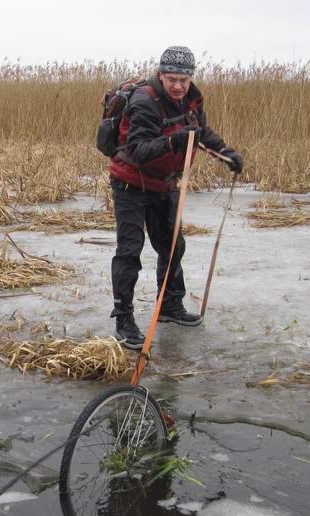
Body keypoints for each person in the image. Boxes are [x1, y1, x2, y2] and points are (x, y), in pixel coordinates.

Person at [108, 46, 243, 349]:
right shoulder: (144, 102)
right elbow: (138, 151)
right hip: (131, 183)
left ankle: (169, 306)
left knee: (172, 246)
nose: (179, 86)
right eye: (172, 79)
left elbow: (201, 132)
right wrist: (174, 140)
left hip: (164, 185)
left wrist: (227, 154)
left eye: (184, 78)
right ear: (160, 75)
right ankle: (124, 320)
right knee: (130, 251)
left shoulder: (192, 101)